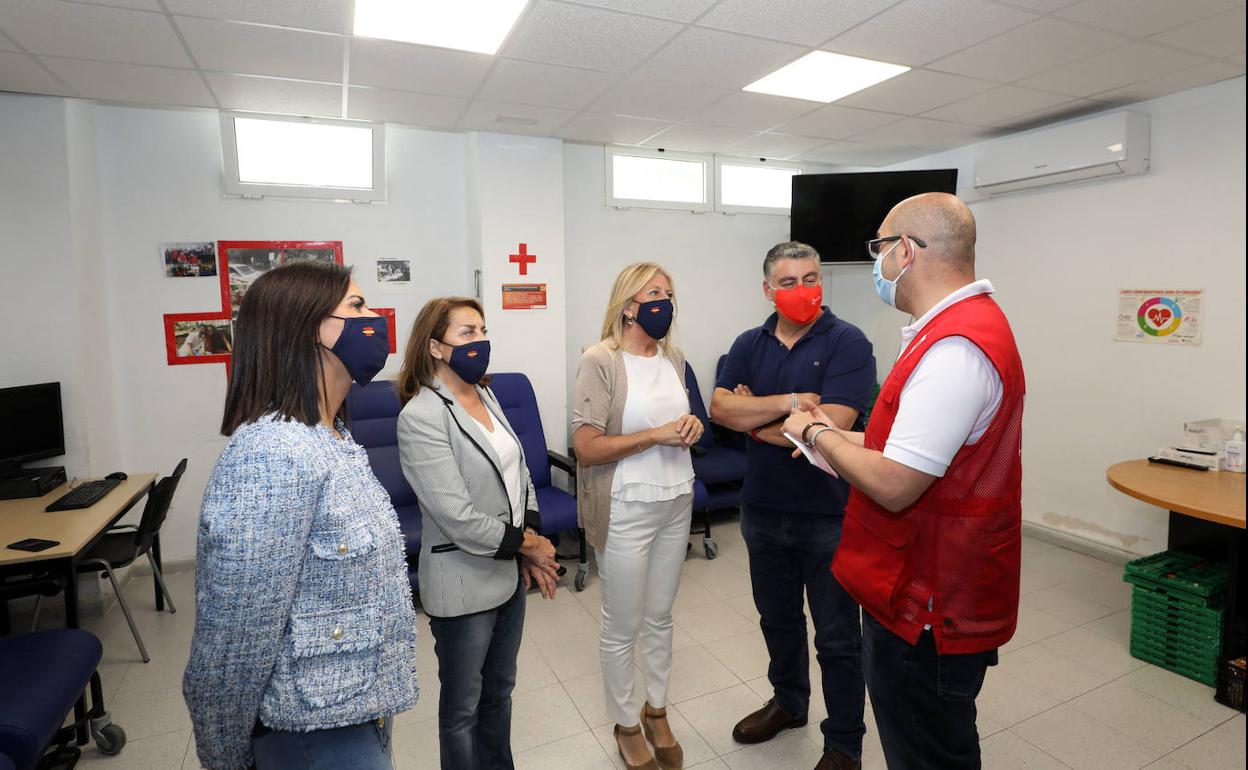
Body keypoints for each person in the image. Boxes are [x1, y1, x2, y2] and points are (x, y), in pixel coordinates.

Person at [784, 193, 1024, 769]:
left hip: (929, 604)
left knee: (924, 748)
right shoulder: (946, 330)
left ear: (905, 251)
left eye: (878, 248)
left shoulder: (955, 348)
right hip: (912, 584)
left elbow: (894, 483)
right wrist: (835, 437)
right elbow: (911, 452)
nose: (877, 263)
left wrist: (818, 437)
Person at [183, 262, 418, 770]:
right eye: (357, 307)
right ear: (304, 328)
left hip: (351, 707)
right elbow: (234, 634)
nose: (374, 318)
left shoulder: (330, 437)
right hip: (310, 732)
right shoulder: (271, 453)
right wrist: (224, 756)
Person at [710, 242, 875, 770]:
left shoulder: (849, 341)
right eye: (789, 282)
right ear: (767, 289)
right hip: (760, 510)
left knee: (837, 637)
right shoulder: (747, 342)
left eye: (810, 278)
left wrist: (752, 419)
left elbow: (833, 427)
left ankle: (845, 741)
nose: (802, 290)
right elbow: (718, 409)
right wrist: (788, 407)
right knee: (776, 620)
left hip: (828, 514)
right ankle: (789, 703)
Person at [395, 297, 560, 770]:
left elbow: (521, 470)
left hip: (507, 572)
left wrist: (528, 539)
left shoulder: (484, 394)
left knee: (500, 694)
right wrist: (532, 545)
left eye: (482, 330)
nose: (480, 341)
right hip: (462, 581)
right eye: (467, 333)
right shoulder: (421, 416)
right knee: (463, 710)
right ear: (435, 347)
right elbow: (457, 516)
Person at [573, 262, 704, 770]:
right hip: (626, 506)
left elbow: (679, 419)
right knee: (622, 624)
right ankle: (626, 723)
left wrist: (688, 425)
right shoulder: (599, 360)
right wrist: (655, 435)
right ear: (629, 304)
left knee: (660, 617)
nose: (665, 302)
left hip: (677, 500)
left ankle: (656, 711)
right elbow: (586, 447)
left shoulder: (673, 356)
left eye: (669, 293)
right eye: (654, 293)